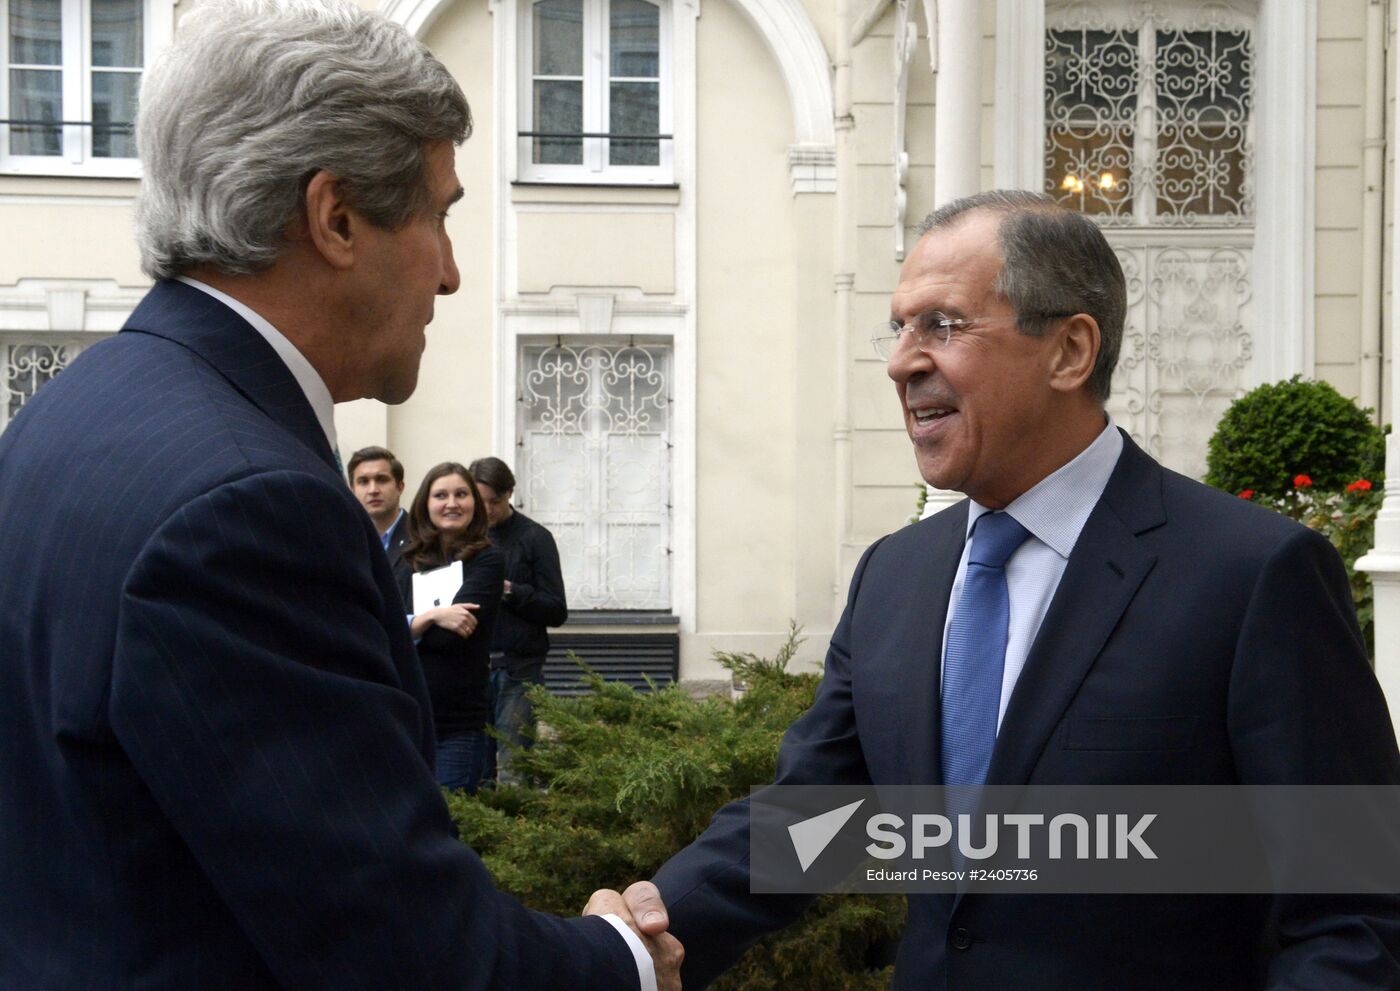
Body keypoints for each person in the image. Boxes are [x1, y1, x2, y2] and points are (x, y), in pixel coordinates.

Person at [0, 0, 680, 987]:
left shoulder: (63, 417)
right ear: (335, 217)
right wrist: (618, 960)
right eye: (441, 215)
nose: (449, 274)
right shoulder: (247, 507)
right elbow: (398, 951)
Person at [651, 191, 1400, 990]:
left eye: (942, 325)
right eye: (899, 328)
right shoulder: (894, 577)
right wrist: (637, 932)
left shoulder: (1255, 576)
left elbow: (1353, 917)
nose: (903, 360)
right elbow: (816, 820)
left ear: (1070, 351)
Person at [395, 463, 503, 794]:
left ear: (475, 503)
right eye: (440, 495)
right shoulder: (406, 561)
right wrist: (431, 618)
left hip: (457, 725)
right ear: (425, 504)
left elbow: (451, 638)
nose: (451, 503)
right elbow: (382, 628)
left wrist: (412, 625)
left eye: (461, 494)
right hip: (406, 721)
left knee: (450, 823)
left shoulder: (487, 561)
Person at [469, 456, 568, 783]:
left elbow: (556, 610)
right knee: (475, 771)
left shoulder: (534, 538)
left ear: (509, 493)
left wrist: (512, 591)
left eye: (494, 501)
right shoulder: (464, 537)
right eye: (480, 502)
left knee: (515, 769)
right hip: (471, 668)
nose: (487, 510)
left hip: (519, 668)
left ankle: (515, 832)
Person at [348, 444, 410, 563]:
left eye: (382, 480)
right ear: (352, 491)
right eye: (363, 482)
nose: (373, 490)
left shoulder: (423, 538)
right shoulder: (344, 541)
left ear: (400, 487)